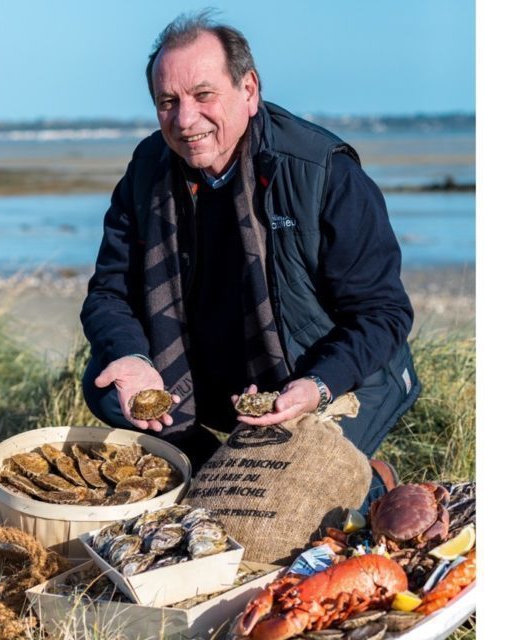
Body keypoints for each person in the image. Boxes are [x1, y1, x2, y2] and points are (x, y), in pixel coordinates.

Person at [80, 11, 420, 506]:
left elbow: (384, 314)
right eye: (167, 102)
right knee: (109, 381)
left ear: (249, 89)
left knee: (285, 503)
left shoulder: (323, 171)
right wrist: (133, 360)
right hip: (217, 370)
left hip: (333, 373)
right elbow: (109, 293)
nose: (185, 119)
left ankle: (370, 480)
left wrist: (316, 387)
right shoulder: (148, 170)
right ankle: (210, 469)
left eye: (203, 95)